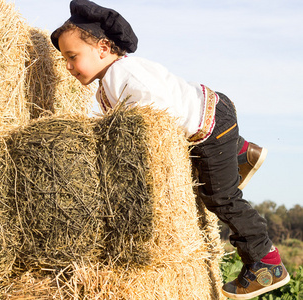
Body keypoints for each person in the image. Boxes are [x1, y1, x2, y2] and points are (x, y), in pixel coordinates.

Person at [50, 0, 290, 299]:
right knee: (213, 176)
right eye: (65, 61)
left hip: (211, 129)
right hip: (214, 111)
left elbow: (158, 122)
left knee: (221, 197)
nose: (69, 67)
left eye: (73, 57)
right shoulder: (109, 81)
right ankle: (241, 154)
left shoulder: (124, 75)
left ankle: (266, 262)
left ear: (102, 48)